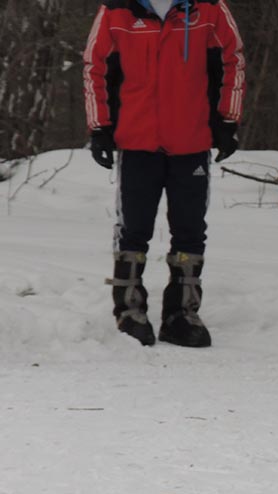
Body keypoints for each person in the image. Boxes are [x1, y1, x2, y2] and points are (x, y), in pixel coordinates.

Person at [83, 0, 246, 348]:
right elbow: (94, 67)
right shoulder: (117, 11)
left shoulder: (210, 10)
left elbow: (233, 61)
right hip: (137, 141)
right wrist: (100, 127)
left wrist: (226, 120)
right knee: (133, 230)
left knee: (189, 231)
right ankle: (129, 311)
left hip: (191, 141)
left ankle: (181, 315)